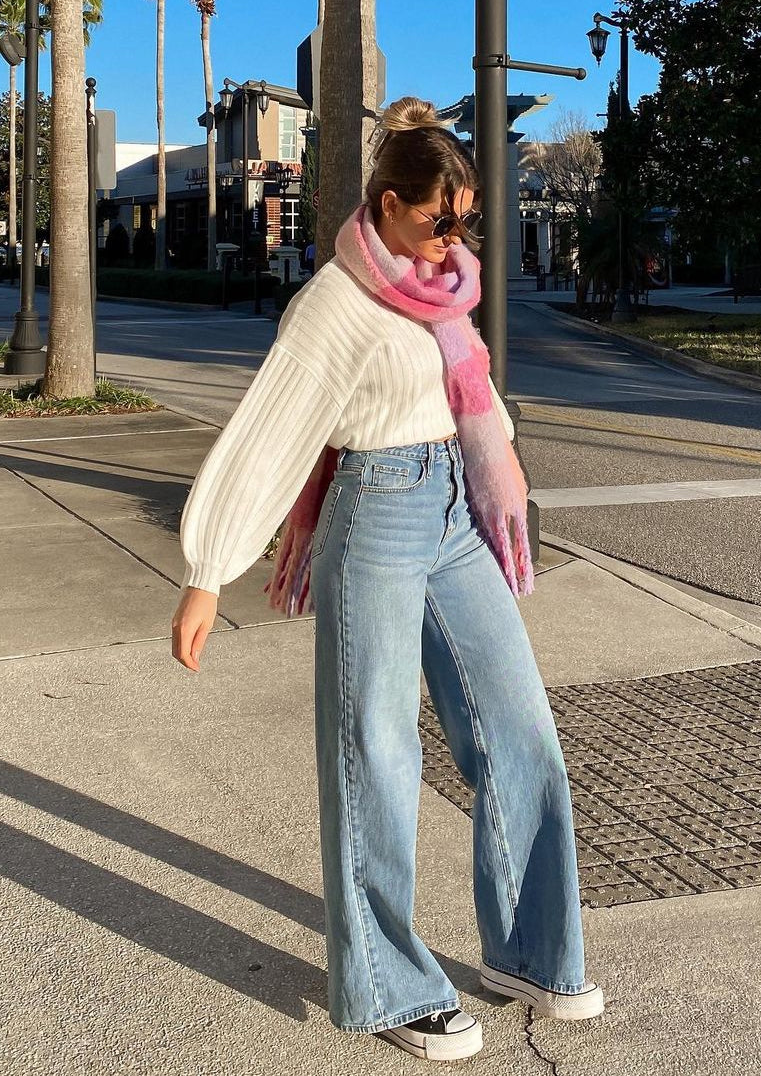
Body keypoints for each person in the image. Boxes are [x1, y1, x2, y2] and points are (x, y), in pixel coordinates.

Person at [171, 97, 604, 1061]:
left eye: (464, 219)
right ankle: (388, 986)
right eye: (436, 218)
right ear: (387, 201)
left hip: (453, 509)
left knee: (518, 729)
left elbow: (475, 394)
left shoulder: (444, 287)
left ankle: (531, 950)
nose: (452, 238)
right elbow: (275, 428)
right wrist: (209, 569)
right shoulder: (337, 299)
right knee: (374, 748)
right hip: (377, 509)